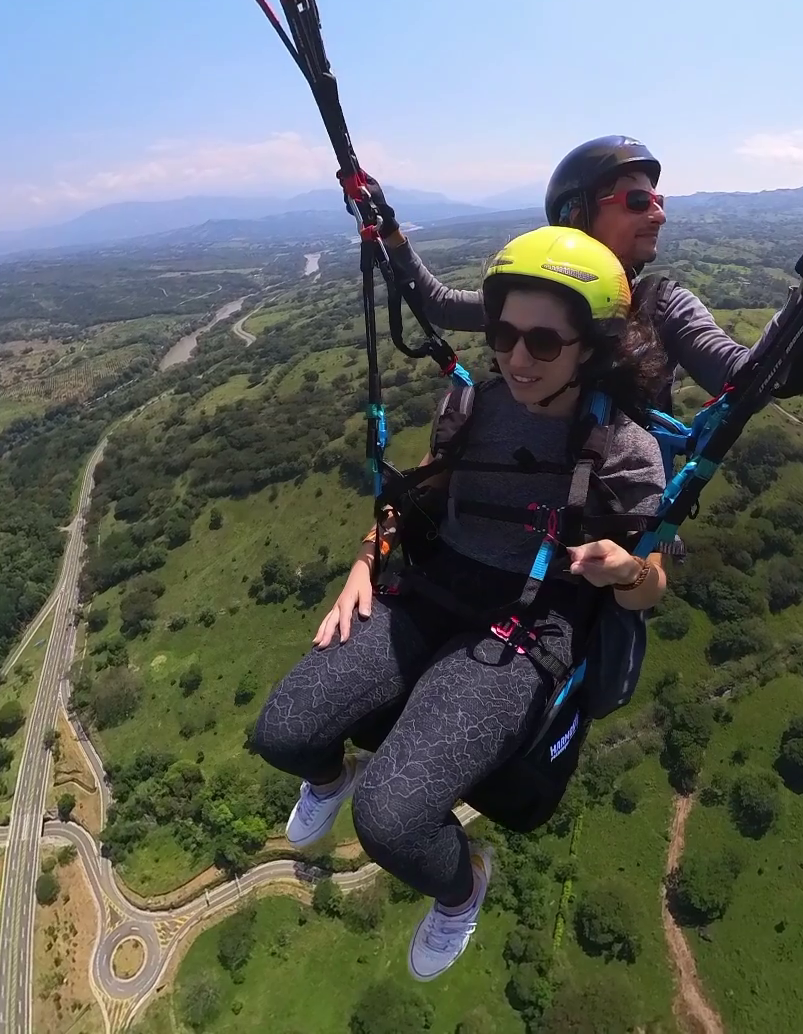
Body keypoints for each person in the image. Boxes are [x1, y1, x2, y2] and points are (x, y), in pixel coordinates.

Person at [249, 226, 671, 982]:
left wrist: (623, 571)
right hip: (435, 587)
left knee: (392, 822)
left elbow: (655, 582)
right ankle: (327, 776)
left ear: (591, 348)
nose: (516, 357)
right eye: (504, 334)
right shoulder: (473, 405)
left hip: (529, 621)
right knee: (283, 734)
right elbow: (418, 493)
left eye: (544, 344)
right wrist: (363, 564)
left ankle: (462, 885)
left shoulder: (623, 447)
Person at [369, 135, 790, 411]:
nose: (659, 214)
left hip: (616, 519)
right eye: (639, 201)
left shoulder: (661, 307)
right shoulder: (540, 301)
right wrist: (390, 233)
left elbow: (746, 380)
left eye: (658, 200)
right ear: (577, 215)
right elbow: (440, 306)